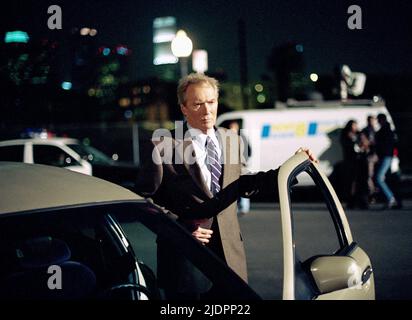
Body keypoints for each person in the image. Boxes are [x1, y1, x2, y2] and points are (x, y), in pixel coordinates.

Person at [135, 73, 317, 300]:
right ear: (183, 108)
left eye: (211, 102)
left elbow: (243, 182)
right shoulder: (161, 145)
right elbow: (143, 201)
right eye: (197, 104)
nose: (206, 110)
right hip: (185, 259)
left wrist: (290, 166)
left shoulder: (232, 139)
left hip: (230, 259)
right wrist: (180, 227)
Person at [374, 113, 399, 209]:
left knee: (379, 178)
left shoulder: (385, 131)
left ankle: (390, 197)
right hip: (388, 156)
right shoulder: (389, 130)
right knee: (388, 178)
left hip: (386, 156)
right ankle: (392, 199)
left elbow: (383, 145)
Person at [228, 120, 251, 216]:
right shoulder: (227, 138)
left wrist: (243, 161)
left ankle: (244, 207)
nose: (232, 129)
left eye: (233, 127)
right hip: (232, 166)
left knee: (244, 184)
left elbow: (248, 150)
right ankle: (238, 207)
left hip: (240, 165)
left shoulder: (242, 138)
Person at [361, 115, 379, 202]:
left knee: (376, 176)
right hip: (370, 156)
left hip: (376, 156)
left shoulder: (375, 130)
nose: (372, 122)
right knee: (369, 176)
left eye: (373, 121)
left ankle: (374, 194)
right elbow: (365, 143)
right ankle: (371, 194)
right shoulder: (366, 131)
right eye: (371, 121)